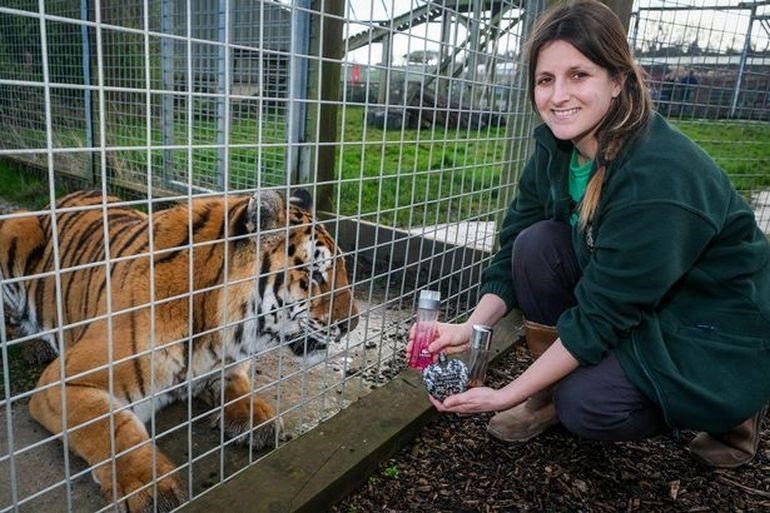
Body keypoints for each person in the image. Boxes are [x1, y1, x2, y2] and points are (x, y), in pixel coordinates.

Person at [409, 0, 770, 468]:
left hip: (713, 321)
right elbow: (514, 243)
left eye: (578, 75)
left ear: (618, 80)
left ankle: (733, 405)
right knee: (534, 244)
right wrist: (471, 327)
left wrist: (504, 394)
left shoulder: (659, 178)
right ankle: (548, 394)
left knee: (588, 405)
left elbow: (603, 315)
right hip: (640, 298)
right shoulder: (557, 147)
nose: (558, 95)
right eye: (546, 79)